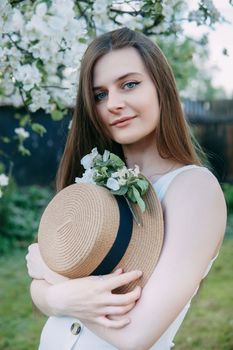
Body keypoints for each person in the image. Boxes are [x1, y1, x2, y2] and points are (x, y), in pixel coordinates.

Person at [26, 27, 227, 350]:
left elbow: (135, 335)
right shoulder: (96, 183)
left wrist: (58, 286)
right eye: (100, 94)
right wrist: (54, 294)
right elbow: (37, 285)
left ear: (161, 87)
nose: (113, 104)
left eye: (130, 84)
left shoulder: (193, 190)